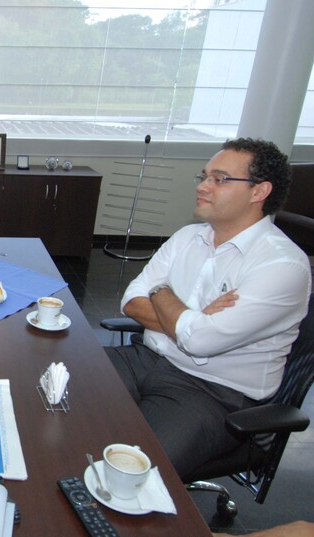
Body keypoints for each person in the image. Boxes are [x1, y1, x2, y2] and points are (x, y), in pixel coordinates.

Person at [105, 138, 311, 479]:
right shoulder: (188, 237)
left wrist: (160, 290)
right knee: (47, 392)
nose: (203, 186)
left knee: (130, 477)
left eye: (220, 179)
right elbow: (130, 301)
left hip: (211, 392)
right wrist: (196, 318)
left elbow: (199, 342)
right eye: (204, 176)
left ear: (259, 191)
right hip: (147, 358)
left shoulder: (282, 265)